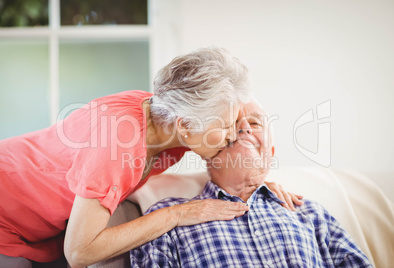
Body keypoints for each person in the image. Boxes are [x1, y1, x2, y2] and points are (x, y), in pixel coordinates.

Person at [0, 48, 301, 268]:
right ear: (186, 126)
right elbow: (79, 252)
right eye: (225, 127)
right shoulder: (118, 143)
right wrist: (177, 214)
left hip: (40, 226)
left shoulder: (169, 118)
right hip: (0, 213)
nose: (233, 135)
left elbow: (242, 130)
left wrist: (260, 184)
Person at [130, 100, 373, 268]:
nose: (244, 127)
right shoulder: (167, 218)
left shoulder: (310, 213)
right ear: (206, 148)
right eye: (231, 124)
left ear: (271, 150)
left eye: (255, 123)